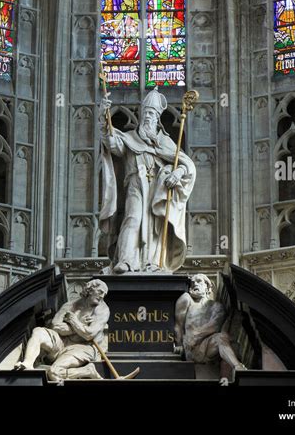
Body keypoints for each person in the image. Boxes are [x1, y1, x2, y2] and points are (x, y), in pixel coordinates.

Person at [99, 87, 196, 273]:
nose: (148, 117)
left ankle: (154, 263)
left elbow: (186, 164)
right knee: (133, 218)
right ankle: (126, 261)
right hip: (135, 184)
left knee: (155, 228)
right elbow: (111, 142)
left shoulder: (164, 143)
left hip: (157, 187)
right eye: (146, 113)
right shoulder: (129, 139)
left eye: (152, 113)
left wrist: (177, 172)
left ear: (157, 117)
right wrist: (104, 117)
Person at [15, 279, 109, 381]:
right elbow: (55, 326)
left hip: (83, 348)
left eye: (104, 294)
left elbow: (88, 334)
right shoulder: (70, 305)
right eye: (100, 292)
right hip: (61, 342)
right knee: (38, 331)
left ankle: (88, 371)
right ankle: (28, 364)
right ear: (90, 290)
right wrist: (79, 325)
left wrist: (73, 320)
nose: (102, 296)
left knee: (55, 372)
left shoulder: (102, 310)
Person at [174, 273, 246, 382]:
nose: (194, 284)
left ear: (208, 287)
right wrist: (179, 344)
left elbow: (214, 326)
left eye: (199, 281)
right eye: (192, 282)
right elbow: (178, 325)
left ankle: (238, 367)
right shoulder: (187, 300)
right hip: (190, 350)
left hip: (206, 347)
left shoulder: (216, 306)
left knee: (220, 338)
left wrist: (196, 335)